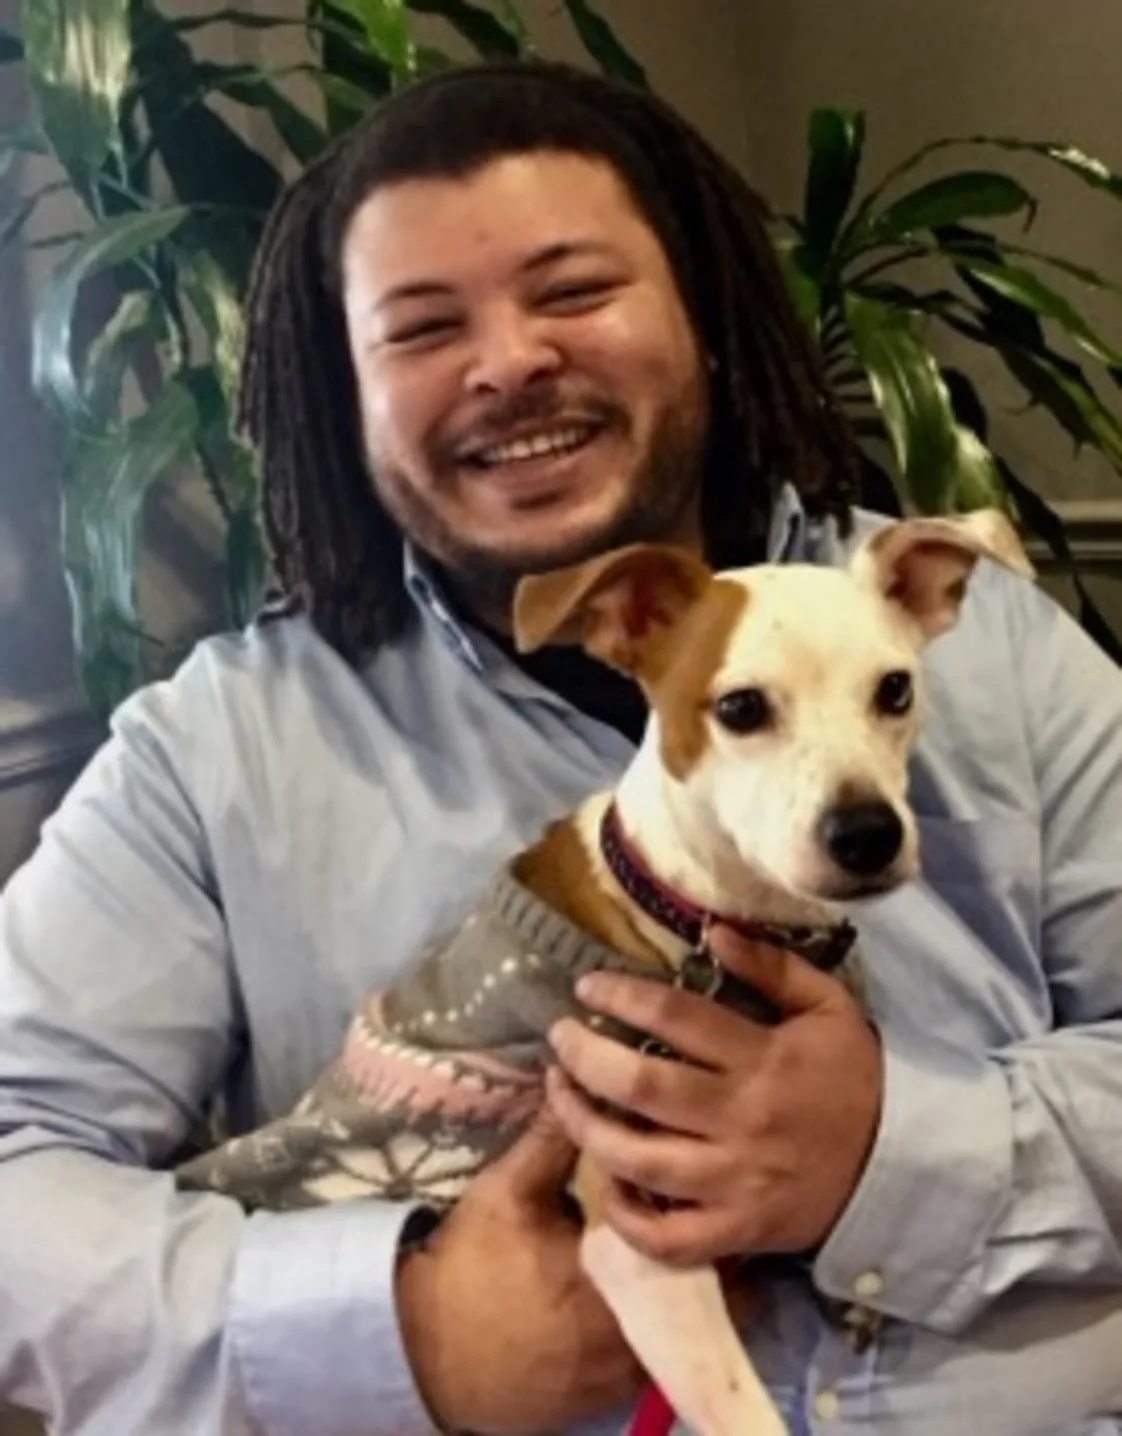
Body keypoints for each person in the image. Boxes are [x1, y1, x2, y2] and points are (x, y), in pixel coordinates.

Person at [1, 56, 1121, 1436]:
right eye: (417, 328)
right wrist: (395, 1329)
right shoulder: (211, 752)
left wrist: (895, 1155)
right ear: (339, 394)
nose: (510, 359)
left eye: (575, 290)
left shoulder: (989, 648)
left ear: (701, 312)